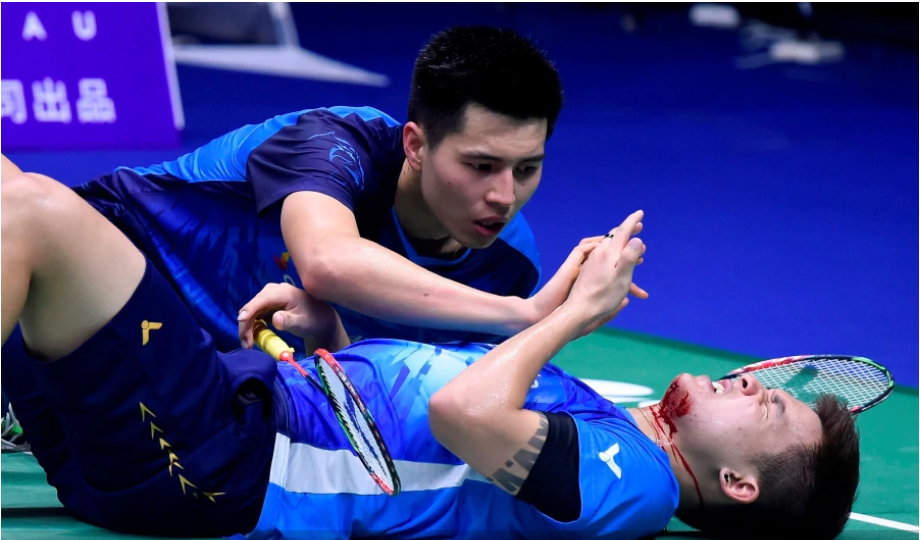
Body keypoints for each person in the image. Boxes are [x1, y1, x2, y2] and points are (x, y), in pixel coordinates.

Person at [1, 168, 859, 539]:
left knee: (37, 215)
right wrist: (329, 330)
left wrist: (570, 315)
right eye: (766, 383)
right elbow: (411, 445)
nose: (753, 381)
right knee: (12, 192)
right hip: (225, 419)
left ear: (740, 486)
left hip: (217, 462)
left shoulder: (630, 484)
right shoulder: (606, 425)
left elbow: (460, 412)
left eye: (769, 406)